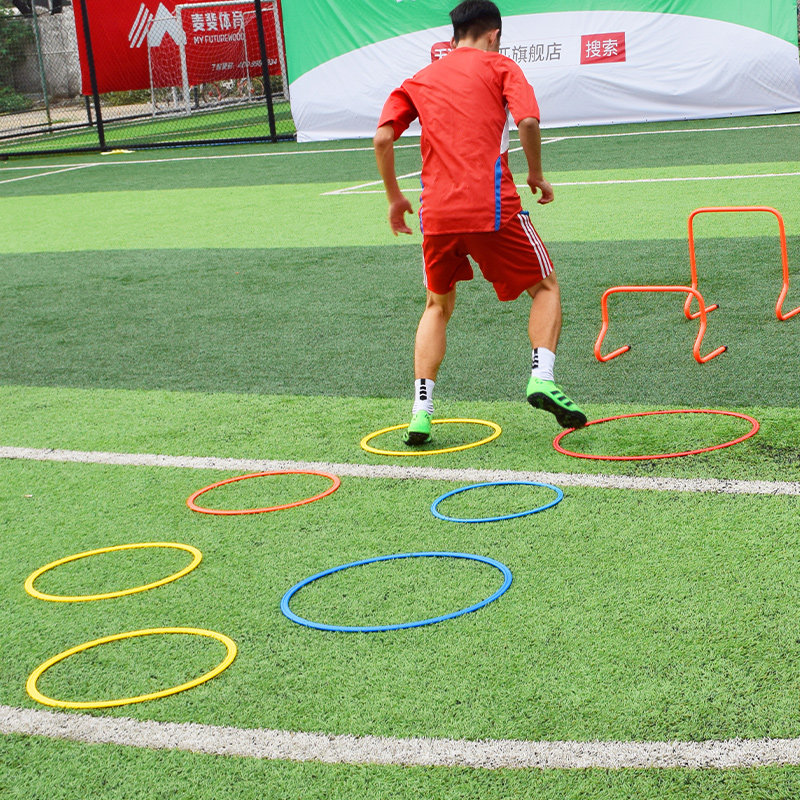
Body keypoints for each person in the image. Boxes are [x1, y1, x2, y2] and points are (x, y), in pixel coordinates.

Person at [373, 0, 586, 445]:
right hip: (491, 207)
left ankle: (421, 412)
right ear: (494, 35)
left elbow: (383, 137)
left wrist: (394, 198)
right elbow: (527, 120)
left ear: (453, 37)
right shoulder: (500, 66)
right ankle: (542, 376)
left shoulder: (419, 79)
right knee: (545, 286)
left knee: (437, 306)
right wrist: (536, 174)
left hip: (437, 215)